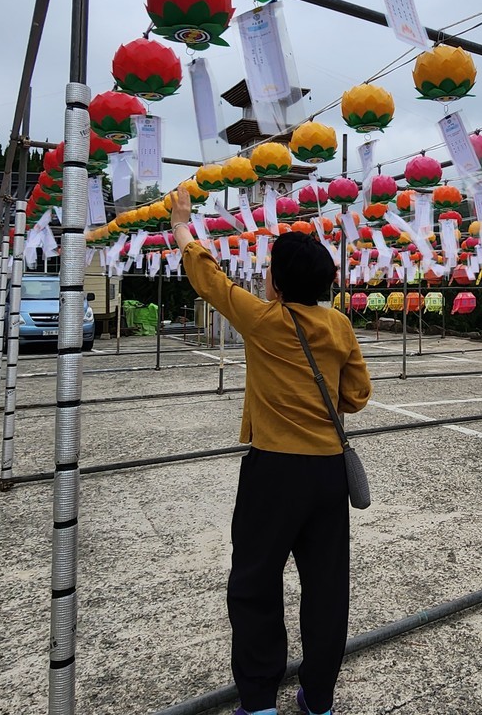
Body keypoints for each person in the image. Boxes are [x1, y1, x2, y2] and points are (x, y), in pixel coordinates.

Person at [170, 188, 372, 715]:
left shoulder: (263, 320)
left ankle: (259, 701)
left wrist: (181, 221)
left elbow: (207, 276)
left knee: (255, 582)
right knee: (326, 589)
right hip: (328, 474)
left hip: (274, 473)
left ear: (277, 284)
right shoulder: (340, 326)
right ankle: (319, 699)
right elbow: (357, 396)